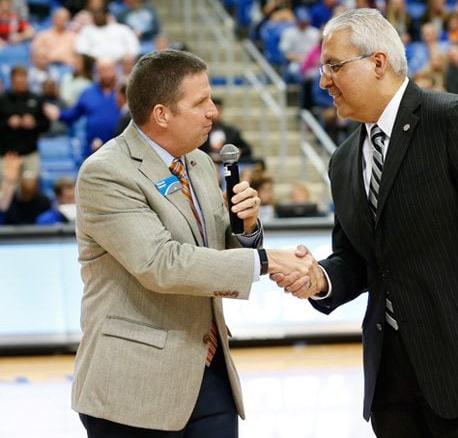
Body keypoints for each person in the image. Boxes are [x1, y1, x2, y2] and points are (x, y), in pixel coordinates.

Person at [272, 8, 458, 437]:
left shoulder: (454, 119)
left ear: (377, 63)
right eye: (322, 68)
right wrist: (319, 278)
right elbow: (358, 259)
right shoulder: (343, 160)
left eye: (333, 66)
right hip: (393, 378)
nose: (323, 81)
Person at [71, 49, 313, 437]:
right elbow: (162, 264)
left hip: (209, 373)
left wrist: (247, 230)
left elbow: (215, 253)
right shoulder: (106, 174)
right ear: (162, 113)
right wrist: (268, 261)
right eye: (200, 102)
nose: (213, 111)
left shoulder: (198, 162)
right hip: (133, 388)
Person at [0, 65, 50, 178]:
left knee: (30, 187)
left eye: (24, 81)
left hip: (30, 152)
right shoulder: (2, 100)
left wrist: (34, 124)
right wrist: (8, 123)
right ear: (12, 80)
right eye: (19, 81)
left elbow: (46, 125)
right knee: (7, 188)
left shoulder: (37, 98)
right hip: (7, 154)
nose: (22, 84)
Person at [201, 96, 254, 163]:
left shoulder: (231, 131)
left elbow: (247, 149)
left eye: (218, 110)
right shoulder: (201, 131)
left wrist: (235, 152)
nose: (216, 114)